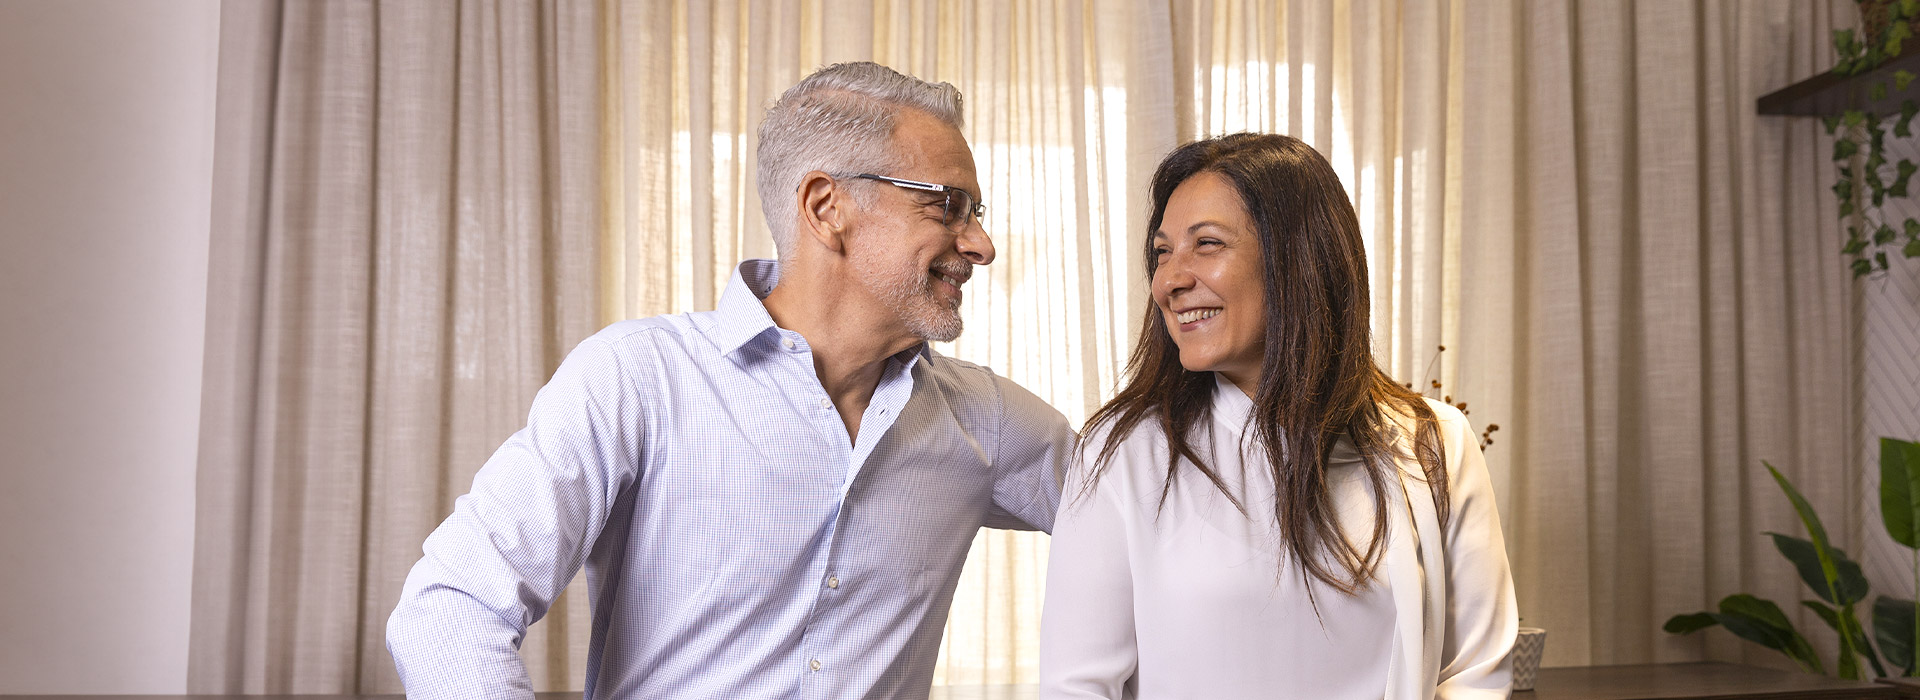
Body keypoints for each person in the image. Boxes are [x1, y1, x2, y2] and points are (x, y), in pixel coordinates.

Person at [387, 62, 1074, 700]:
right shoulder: (639, 379)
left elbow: (1153, 512)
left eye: (975, 213)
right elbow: (451, 605)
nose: (981, 245)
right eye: (948, 205)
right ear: (826, 206)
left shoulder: (987, 423)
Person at [1038, 133, 1516, 700]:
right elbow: (1077, 689)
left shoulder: (1434, 443)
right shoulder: (1122, 455)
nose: (1169, 281)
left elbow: (1476, 676)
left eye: (1207, 244)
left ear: (1299, 259)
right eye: (1163, 252)